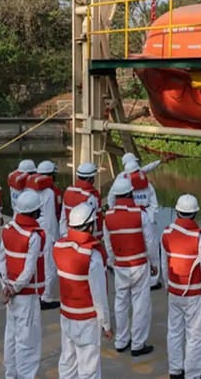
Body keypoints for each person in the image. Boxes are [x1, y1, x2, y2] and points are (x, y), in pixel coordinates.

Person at [53, 202, 112, 379]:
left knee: (68, 362)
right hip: (87, 320)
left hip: (67, 316)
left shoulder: (59, 247)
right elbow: (99, 297)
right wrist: (106, 324)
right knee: (89, 368)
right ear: (89, 226)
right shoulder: (91, 256)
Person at [161, 194, 201, 379]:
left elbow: (164, 265)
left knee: (174, 332)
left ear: (177, 212)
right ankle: (192, 375)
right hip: (193, 294)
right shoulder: (199, 239)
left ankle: (175, 371)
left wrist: (168, 287)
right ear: (195, 214)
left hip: (174, 292)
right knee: (196, 336)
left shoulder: (166, 234)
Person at [102, 176, 158, 356]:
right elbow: (150, 242)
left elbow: (108, 244)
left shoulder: (108, 217)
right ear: (130, 193)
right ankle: (138, 344)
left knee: (120, 302)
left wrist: (113, 261)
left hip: (120, 265)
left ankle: (121, 340)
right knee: (140, 304)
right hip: (139, 264)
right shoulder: (140, 214)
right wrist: (154, 263)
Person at [0, 190, 46, 379]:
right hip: (26, 295)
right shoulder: (33, 235)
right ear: (35, 213)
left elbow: (1, 259)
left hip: (11, 292)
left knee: (11, 337)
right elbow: (29, 270)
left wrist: (6, 285)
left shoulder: (9, 229)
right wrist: (15, 287)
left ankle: (11, 374)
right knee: (28, 342)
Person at [24, 160, 61, 309]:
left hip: (32, 229)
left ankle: (37, 292)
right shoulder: (49, 193)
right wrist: (55, 238)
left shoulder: (29, 189)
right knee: (49, 266)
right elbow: (51, 217)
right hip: (47, 231)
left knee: (34, 263)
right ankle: (46, 297)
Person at [122, 159, 162, 290]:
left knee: (137, 249)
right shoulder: (147, 185)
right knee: (152, 249)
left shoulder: (125, 187)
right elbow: (154, 204)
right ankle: (152, 280)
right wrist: (151, 218)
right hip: (145, 216)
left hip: (134, 218)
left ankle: (141, 279)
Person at [59, 162, 101, 240]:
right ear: (90, 179)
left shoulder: (68, 191)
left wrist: (64, 235)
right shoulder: (91, 196)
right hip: (84, 237)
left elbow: (63, 218)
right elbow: (94, 222)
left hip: (69, 234)